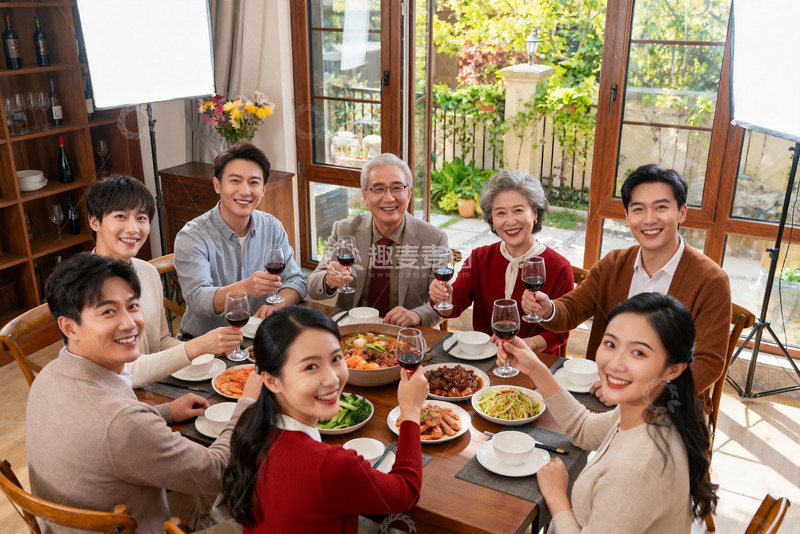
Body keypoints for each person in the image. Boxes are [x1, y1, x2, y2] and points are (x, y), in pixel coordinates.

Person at [26, 252, 261, 532]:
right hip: (140, 523)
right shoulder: (123, 422)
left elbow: (101, 431)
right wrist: (247, 404)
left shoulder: (49, 375)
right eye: (108, 311)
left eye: (133, 306)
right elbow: (222, 472)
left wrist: (166, 412)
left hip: (82, 519)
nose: (130, 323)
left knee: (195, 497)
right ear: (69, 326)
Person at [500, 293, 717, 533]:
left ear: (673, 369)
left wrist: (557, 497)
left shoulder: (635, 471)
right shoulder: (652, 410)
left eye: (638, 353)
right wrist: (536, 369)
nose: (615, 363)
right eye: (611, 344)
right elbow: (583, 428)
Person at [525, 164, 731, 408]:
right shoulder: (614, 264)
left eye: (661, 207)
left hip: (669, 405)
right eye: (638, 209)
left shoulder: (711, 280)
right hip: (605, 395)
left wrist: (642, 392)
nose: (649, 219)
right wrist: (548, 308)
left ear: (682, 212)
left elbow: (709, 363)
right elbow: (571, 310)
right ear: (627, 216)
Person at [221, 306, 429, 533]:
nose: (331, 379)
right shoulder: (332, 466)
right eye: (311, 366)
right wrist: (410, 410)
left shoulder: (249, 429)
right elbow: (407, 493)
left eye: (336, 358)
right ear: (271, 381)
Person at [86, 174, 242, 387]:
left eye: (141, 218)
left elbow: (160, 342)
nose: (133, 229)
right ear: (94, 221)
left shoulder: (147, 272)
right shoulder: (85, 285)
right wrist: (196, 347)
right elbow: (122, 372)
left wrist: (206, 350)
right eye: (121, 216)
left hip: (153, 385)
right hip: (114, 396)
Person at [429, 170, 573, 354]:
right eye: (501, 213)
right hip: (484, 359)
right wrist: (442, 296)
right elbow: (454, 306)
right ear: (492, 219)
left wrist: (525, 345)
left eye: (519, 210)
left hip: (534, 365)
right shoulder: (480, 257)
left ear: (535, 213)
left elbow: (560, 333)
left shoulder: (559, 267)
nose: (510, 221)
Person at [174, 142, 306, 338]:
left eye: (253, 182)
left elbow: (296, 280)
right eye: (235, 181)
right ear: (217, 185)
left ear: (263, 189)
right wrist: (245, 288)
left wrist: (278, 304)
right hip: (205, 343)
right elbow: (198, 300)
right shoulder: (192, 236)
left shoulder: (272, 226)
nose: (245, 191)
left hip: (256, 338)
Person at [306, 153, 448, 327]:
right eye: (378, 189)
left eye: (397, 188)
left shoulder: (434, 239)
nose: (389, 198)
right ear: (365, 196)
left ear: (409, 193)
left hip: (403, 337)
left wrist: (417, 315)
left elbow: (445, 303)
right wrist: (328, 280)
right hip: (351, 333)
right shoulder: (344, 230)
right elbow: (312, 287)